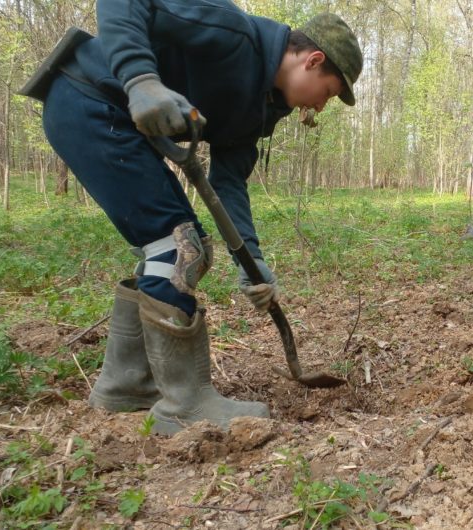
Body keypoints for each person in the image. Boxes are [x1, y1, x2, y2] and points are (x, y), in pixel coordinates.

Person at [21, 1, 363, 435]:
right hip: (88, 100)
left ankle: (127, 383)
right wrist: (141, 79)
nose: (322, 106)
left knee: (171, 246)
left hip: (107, 119)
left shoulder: (259, 108)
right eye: (329, 92)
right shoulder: (233, 32)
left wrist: (251, 264)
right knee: (180, 247)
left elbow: (229, 184)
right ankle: (185, 403)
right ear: (313, 61)